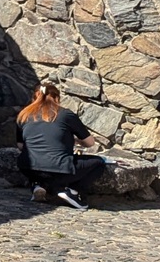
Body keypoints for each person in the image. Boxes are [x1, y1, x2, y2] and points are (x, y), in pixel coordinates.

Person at [16, 77, 107, 209]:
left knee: (39, 164)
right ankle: (71, 191)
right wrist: (75, 140)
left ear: (34, 97)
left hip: (27, 166)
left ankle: (39, 186)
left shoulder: (23, 115)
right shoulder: (66, 115)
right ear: (57, 98)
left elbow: (20, 146)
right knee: (99, 163)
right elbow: (90, 142)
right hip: (59, 167)